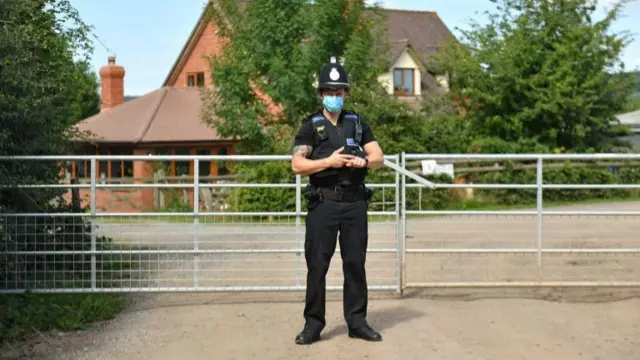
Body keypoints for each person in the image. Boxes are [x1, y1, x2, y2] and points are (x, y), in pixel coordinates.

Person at [290, 56, 385, 345]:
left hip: (355, 203)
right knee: (317, 266)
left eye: (339, 92)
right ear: (321, 94)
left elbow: (379, 157)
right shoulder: (311, 126)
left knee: (355, 264)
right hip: (325, 203)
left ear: (346, 93)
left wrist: (364, 163)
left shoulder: (357, 122)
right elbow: (297, 164)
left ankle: (357, 321)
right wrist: (328, 161)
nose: (334, 97)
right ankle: (313, 325)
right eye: (329, 92)